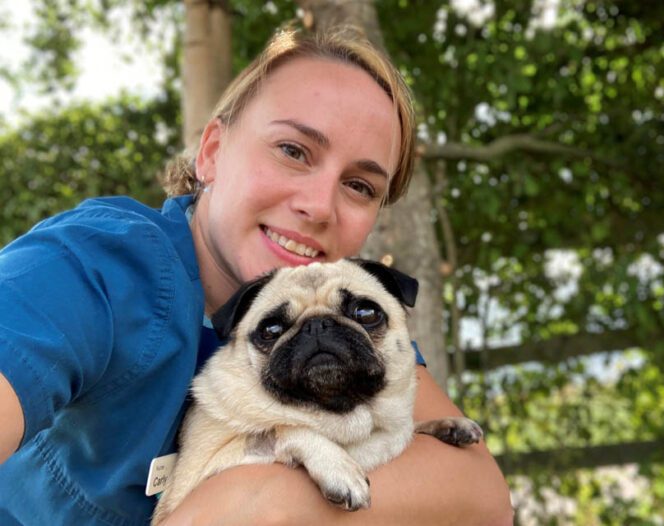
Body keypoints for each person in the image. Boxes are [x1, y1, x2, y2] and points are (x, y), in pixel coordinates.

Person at [0, 26, 513, 525]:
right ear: (212, 153)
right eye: (293, 150)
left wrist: (272, 499)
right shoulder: (97, 265)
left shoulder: (352, 317)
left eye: (359, 186)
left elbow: (481, 494)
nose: (318, 206)